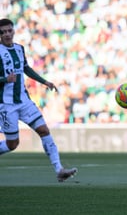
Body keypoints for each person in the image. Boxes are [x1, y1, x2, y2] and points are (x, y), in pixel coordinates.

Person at [0, 18, 77, 182]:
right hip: (6, 105)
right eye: (3, 32)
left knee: (44, 130)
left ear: (13, 31)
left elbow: (26, 68)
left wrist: (44, 81)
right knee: (12, 144)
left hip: (24, 101)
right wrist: (5, 80)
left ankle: (59, 169)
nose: (7, 34)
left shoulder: (20, 49)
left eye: (9, 30)